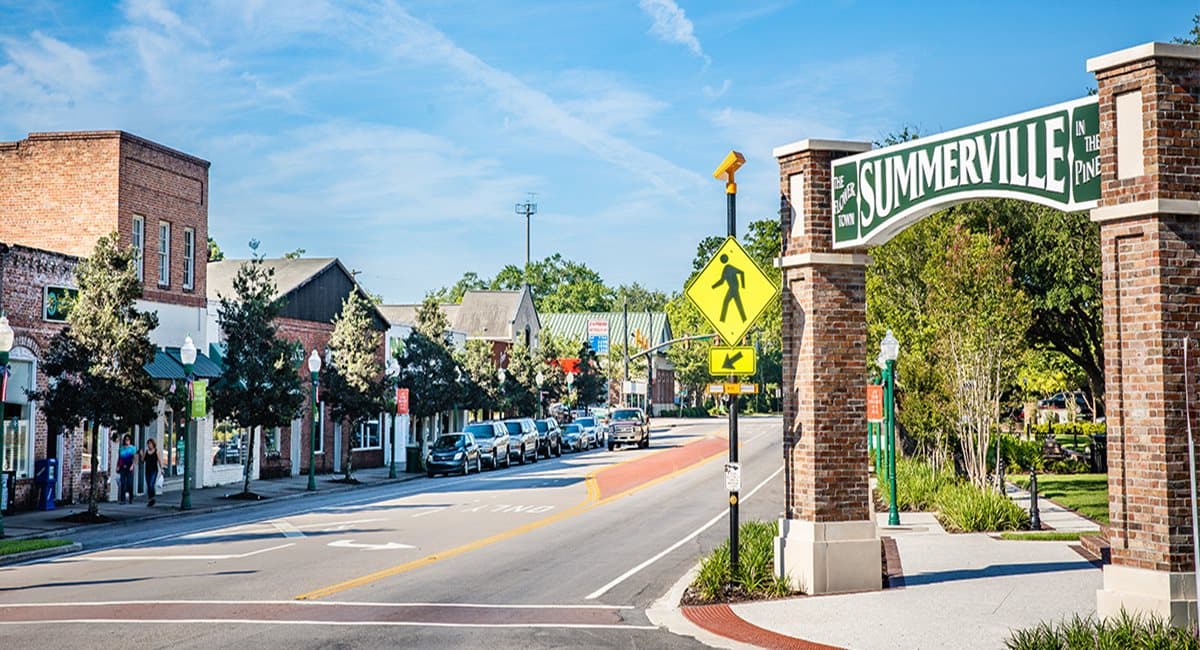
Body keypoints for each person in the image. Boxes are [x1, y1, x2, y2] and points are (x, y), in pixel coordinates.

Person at [141, 438, 164, 507]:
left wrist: (161, 468)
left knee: (151, 484)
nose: (149, 445)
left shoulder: (156, 452)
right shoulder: (146, 452)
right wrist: (142, 454)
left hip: (154, 470)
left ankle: (152, 498)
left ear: (153, 444)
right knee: (148, 485)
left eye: (150, 444)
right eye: (148, 444)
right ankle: (150, 499)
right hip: (147, 470)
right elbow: (143, 461)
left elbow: (159, 461)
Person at [116, 434, 137, 504]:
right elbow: (120, 458)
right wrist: (118, 466)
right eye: (125, 440)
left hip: (129, 467)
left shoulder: (132, 448)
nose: (126, 441)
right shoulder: (121, 449)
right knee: (123, 483)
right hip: (123, 467)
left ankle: (131, 497)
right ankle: (123, 499)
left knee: (129, 483)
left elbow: (134, 458)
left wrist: (132, 465)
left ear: (130, 441)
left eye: (128, 440)